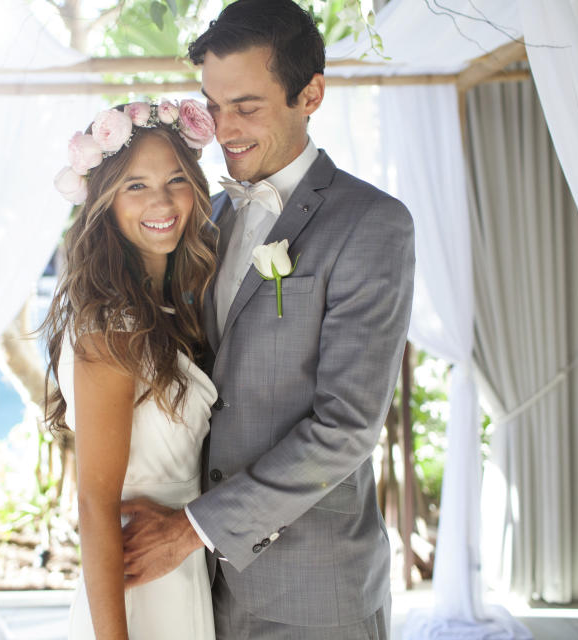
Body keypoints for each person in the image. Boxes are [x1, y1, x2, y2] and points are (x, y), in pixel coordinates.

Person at [120, 1, 416, 638]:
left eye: (247, 107)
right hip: (202, 589)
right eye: (214, 105)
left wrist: (192, 529)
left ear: (310, 94)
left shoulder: (372, 224)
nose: (224, 129)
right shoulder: (206, 219)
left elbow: (346, 429)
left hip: (315, 591)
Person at [42, 100, 218, 639]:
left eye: (175, 180)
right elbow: (95, 504)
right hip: (138, 588)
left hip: (184, 562)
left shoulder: (175, 307)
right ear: (105, 202)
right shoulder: (110, 326)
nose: (161, 201)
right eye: (136, 186)